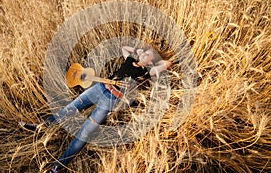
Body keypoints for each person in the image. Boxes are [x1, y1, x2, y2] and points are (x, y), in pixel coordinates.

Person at [20, 45, 171, 173]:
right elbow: (123, 47)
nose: (144, 55)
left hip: (111, 99)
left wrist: (154, 60)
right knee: (70, 108)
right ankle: (40, 127)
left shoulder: (146, 72)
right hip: (99, 87)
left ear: (151, 60)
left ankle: (57, 168)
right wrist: (138, 50)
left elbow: (167, 63)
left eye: (148, 55)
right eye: (144, 53)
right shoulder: (130, 59)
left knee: (84, 133)